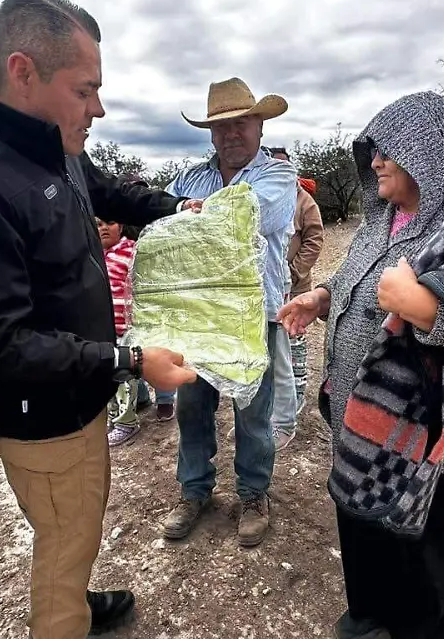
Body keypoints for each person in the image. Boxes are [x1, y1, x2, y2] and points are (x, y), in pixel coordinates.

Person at [0, 0, 198, 639]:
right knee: (65, 543)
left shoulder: (49, 137)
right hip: (42, 418)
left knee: (74, 523)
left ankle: (81, 600)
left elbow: (105, 187)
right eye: (86, 89)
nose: (99, 107)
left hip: (76, 394)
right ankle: (68, 614)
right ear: (23, 70)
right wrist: (130, 360)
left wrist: (176, 209)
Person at [278, 92, 444, 638]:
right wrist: (320, 298)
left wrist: (417, 304)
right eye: (371, 149)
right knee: (364, 530)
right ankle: (369, 618)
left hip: (429, 438)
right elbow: (356, 284)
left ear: (426, 153)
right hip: (362, 423)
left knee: (427, 563)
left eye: (387, 149)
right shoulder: (382, 221)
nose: (374, 160)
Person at [160, 78, 296, 548]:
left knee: (252, 411)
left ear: (259, 125)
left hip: (252, 316)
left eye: (240, 123)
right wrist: (183, 222)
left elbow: (250, 221)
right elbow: (160, 227)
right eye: (220, 127)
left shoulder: (278, 176)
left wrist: (189, 220)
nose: (230, 134)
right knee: (191, 407)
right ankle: (194, 491)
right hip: (197, 316)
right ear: (210, 134)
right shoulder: (188, 179)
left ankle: (253, 494)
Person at [266, 147, 323, 451]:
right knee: (274, 348)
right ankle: (275, 406)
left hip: (297, 288)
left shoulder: (304, 200)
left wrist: (294, 269)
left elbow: (315, 239)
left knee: (295, 343)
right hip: (269, 290)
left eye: (283, 169)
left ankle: (296, 400)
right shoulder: (263, 195)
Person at [98, 217, 144, 446]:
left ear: (122, 226)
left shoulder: (130, 251)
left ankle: (127, 422)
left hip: (126, 327)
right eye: (98, 224)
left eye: (110, 222)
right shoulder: (93, 255)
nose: (104, 228)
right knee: (107, 374)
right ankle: (114, 418)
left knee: (125, 376)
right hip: (102, 328)